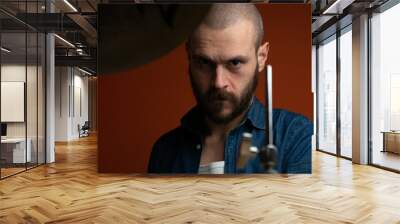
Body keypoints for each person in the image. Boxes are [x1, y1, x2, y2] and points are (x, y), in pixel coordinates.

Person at [148, 3, 313, 174]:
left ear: (261, 58)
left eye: (235, 63)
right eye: (204, 63)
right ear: (189, 55)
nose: (218, 83)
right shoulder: (165, 150)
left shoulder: (296, 136)